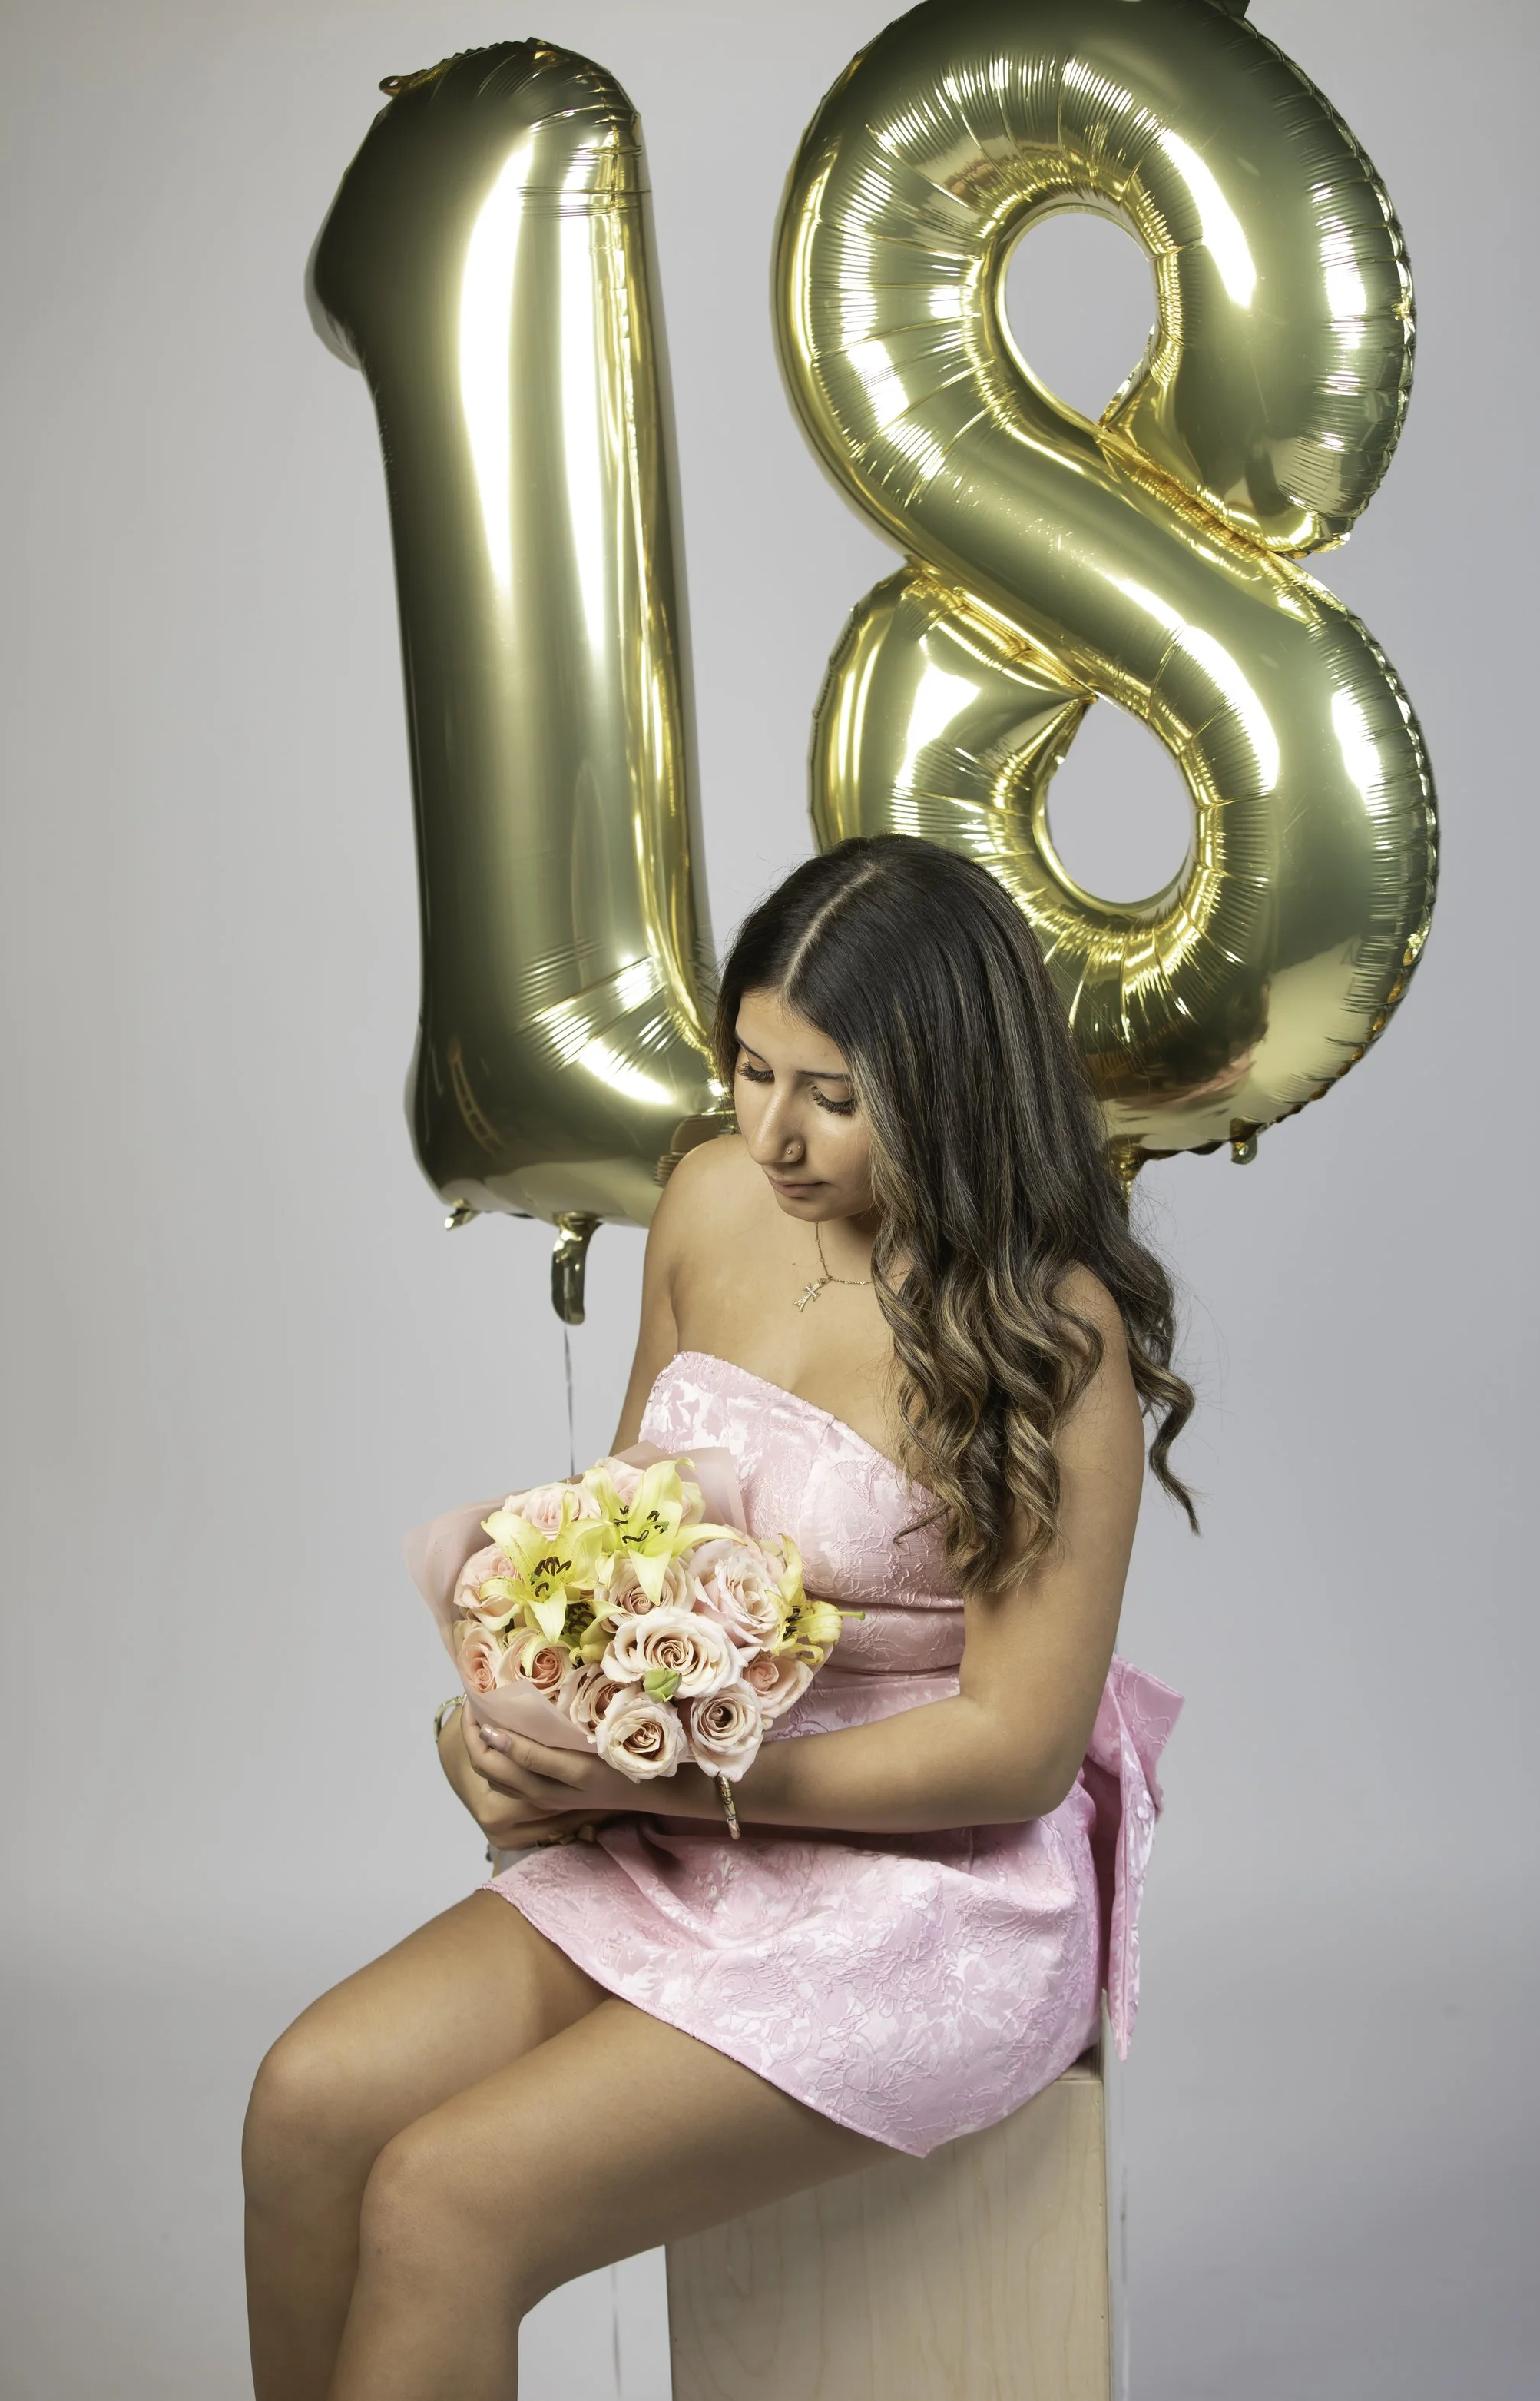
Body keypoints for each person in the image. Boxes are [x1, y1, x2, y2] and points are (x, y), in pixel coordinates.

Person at [241, 834, 1196, 2401]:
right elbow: (625, 1548)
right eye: (750, 1070)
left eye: (832, 1093)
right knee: (305, 2103)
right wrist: (507, 1731)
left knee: (445, 2198)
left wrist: (680, 1788)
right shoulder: (705, 1197)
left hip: (929, 1894)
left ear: (950, 1089)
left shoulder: (1050, 1330)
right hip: (684, 1825)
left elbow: (1017, 1748)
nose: (772, 1132)